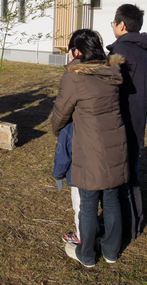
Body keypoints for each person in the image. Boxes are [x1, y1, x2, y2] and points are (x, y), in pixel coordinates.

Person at [52, 29, 129, 268]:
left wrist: (58, 131)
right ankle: (110, 252)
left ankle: (86, 255)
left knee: (88, 202)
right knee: (112, 199)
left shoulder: (74, 77)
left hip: (89, 147)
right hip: (116, 143)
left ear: (77, 52)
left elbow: (60, 115)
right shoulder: (113, 72)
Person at [107, 4, 147, 244]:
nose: (113, 27)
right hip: (138, 121)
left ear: (122, 25)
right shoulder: (146, 50)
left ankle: (124, 228)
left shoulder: (121, 52)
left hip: (120, 123)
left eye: (113, 23)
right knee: (132, 174)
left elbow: (109, 90)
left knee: (120, 179)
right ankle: (134, 224)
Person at [52, 121, 82, 245]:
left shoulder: (69, 127)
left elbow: (62, 156)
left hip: (78, 177)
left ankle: (81, 236)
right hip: (101, 174)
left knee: (80, 207)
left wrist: (58, 175)